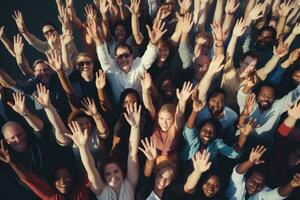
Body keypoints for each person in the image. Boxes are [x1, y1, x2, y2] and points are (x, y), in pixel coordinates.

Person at [66, 102, 141, 200]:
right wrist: (82, 146)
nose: (113, 176)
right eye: (108, 174)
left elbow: (133, 154)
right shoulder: (100, 190)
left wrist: (135, 127)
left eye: (116, 171)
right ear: (103, 177)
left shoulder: (130, 183)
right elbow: (90, 168)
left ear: (122, 172)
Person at [0, 141, 90, 200]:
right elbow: (29, 179)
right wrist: (11, 162)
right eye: (57, 179)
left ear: (73, 178)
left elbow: (90, 169)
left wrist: (83, 145)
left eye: (66, 177)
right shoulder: (54, 198)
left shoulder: (81, 191)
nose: (62, 182)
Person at [226, 145, 300, 200]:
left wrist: (291, 185)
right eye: (253, 181)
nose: (255, 186)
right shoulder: (237, 186)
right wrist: (250, 162)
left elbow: (278, 194)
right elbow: (237, 172)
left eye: (260, 184)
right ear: (247, 177)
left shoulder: (262, 193)